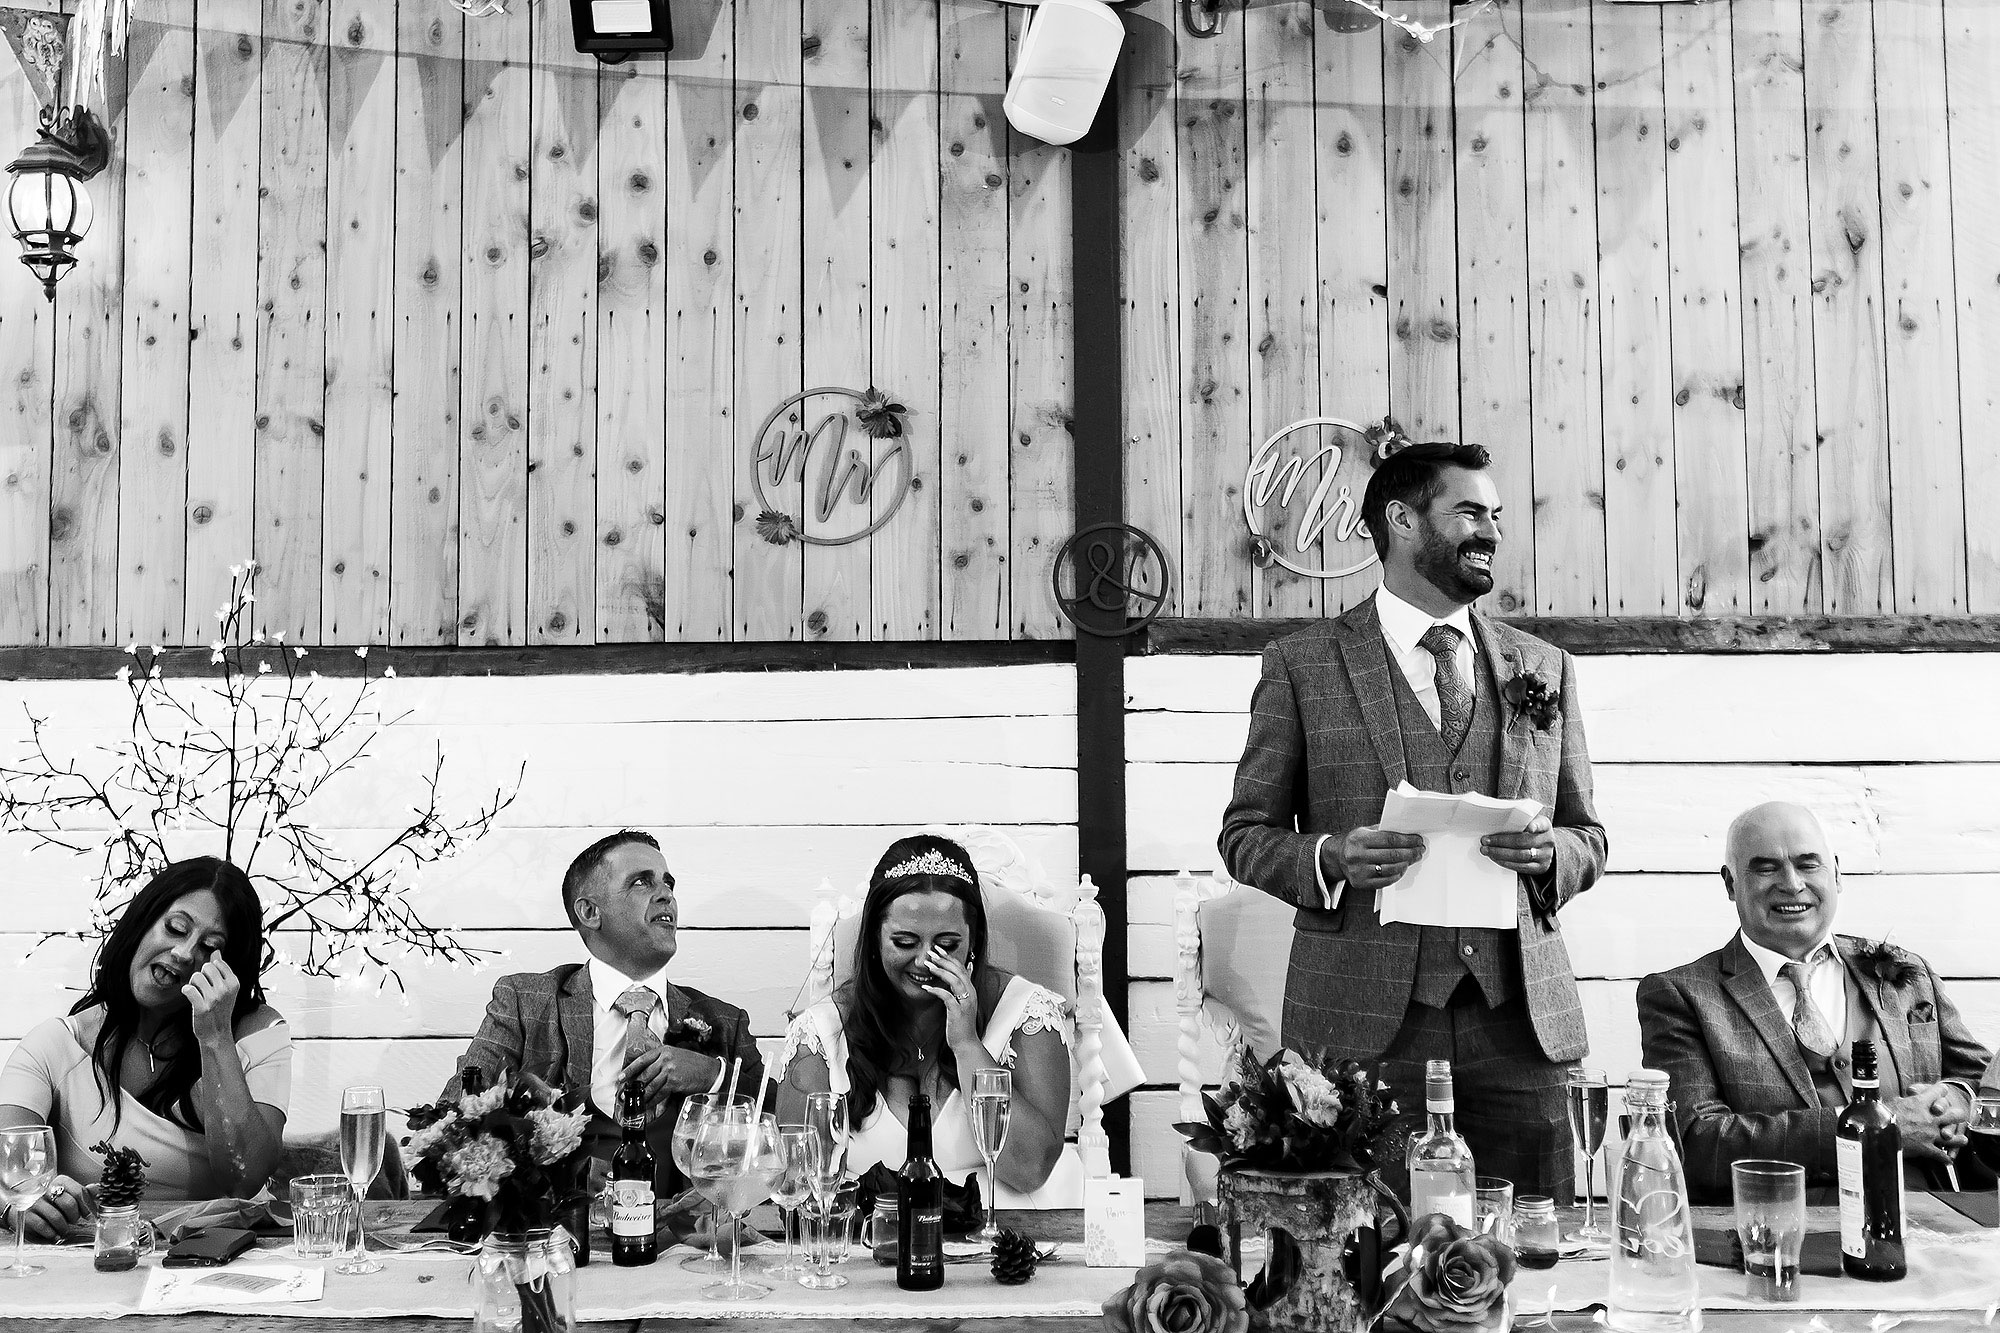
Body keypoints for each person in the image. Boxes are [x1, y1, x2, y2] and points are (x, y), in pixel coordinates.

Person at [1217, 439, 1607, 1200]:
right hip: (1361, 1022)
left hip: (1521, 1022)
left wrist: (1549, 852)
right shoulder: (1302, 663)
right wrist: (1331, 856)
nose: (1490, 530)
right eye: (1469, 511)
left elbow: (1587, 835)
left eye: (1495, 514)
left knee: (1536, 1239)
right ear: (1399, 519)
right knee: (1368, 1250)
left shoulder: (1543, 665)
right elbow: (1245, 834)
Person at [1637, 801, 1997, 1204]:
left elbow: (1986, 1084)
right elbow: (1697, 1144)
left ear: (1837, 874)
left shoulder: (1906, 970)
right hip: (1783, 1236)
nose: (1791, 884)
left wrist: (1958, 1100)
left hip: (1935, 1224)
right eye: (1766, 867)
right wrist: (1878, 1128)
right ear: (1730, 883)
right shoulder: (1680, 994)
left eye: (1809, 864)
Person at [437, 830, 761, 1198]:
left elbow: (789, 1132)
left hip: (686, 1244)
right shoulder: (524, 1002)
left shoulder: (724, 1021)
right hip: (558, 1238)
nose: (666, 894)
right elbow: (451, 1121)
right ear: (590, 912)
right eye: (642, 882)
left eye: (668, 883)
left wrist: (714, 1075)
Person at [774, 834, 1077, 1205]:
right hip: (870, 1250)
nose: (924, 962)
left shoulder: (1028, 1014)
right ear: (873, 938)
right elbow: (796, 1185)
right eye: (904, 942)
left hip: (1008, 1240)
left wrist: (967, 1045)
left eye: (947, 945)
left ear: (975, 938)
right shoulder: (822, 1032)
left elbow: (1031, 1169)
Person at [0, 858, 289, 1239]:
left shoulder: (257, 1034)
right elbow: (7, 1163)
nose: (185, 953)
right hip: (97, 1260)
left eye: (209, 947)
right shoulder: (56, 1045)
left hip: (226, 1260)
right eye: (175, 928)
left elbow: (244, 1180)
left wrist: (215, 1036)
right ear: (142, 922)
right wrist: (15, 1200)